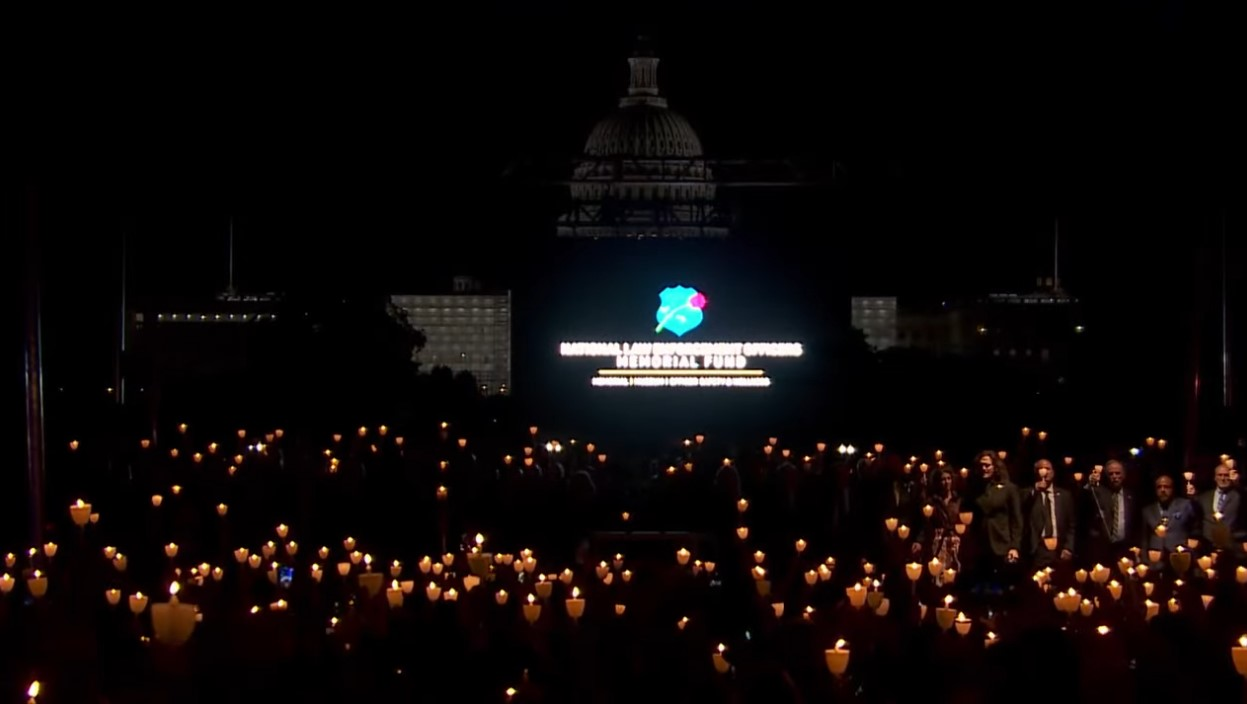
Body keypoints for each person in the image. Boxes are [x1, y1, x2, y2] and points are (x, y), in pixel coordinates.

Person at [1023, 459, 1075, 569]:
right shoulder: (1027, 494)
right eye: (1041, 469)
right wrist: (1036, 490)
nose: (1045, 472)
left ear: (1053, 472)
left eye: (1048, 468)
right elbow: (1022, 509)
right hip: (1038, 549)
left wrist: (1068, 547)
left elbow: (1072, 525)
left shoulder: (1065, 495)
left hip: (1060, 549)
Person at [1198, 463, 1245, 554]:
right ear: (1215, 477)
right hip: (1208, 547)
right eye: (1220, 475)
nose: (1223, 478)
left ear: (1230, 477)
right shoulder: (1204, 498)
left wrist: (1237, 483)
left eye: (1226, 475)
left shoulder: (1237, 496)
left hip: (1231, 547)